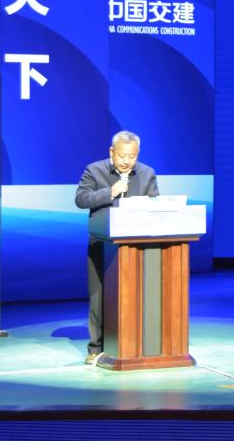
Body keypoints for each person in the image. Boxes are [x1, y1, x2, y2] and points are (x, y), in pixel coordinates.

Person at [74, 131, 159, 364]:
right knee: (99, 298)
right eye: (122, 156)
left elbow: (155, 205)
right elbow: (81, 199)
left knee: (137, 296)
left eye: (132, 156)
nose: (126, 161)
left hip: (138, 247)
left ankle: (137, 344)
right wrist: (110, 192)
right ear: (112, 152)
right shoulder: (95, 170)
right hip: (102, 245)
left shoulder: (147, 173)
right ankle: (96, 348)